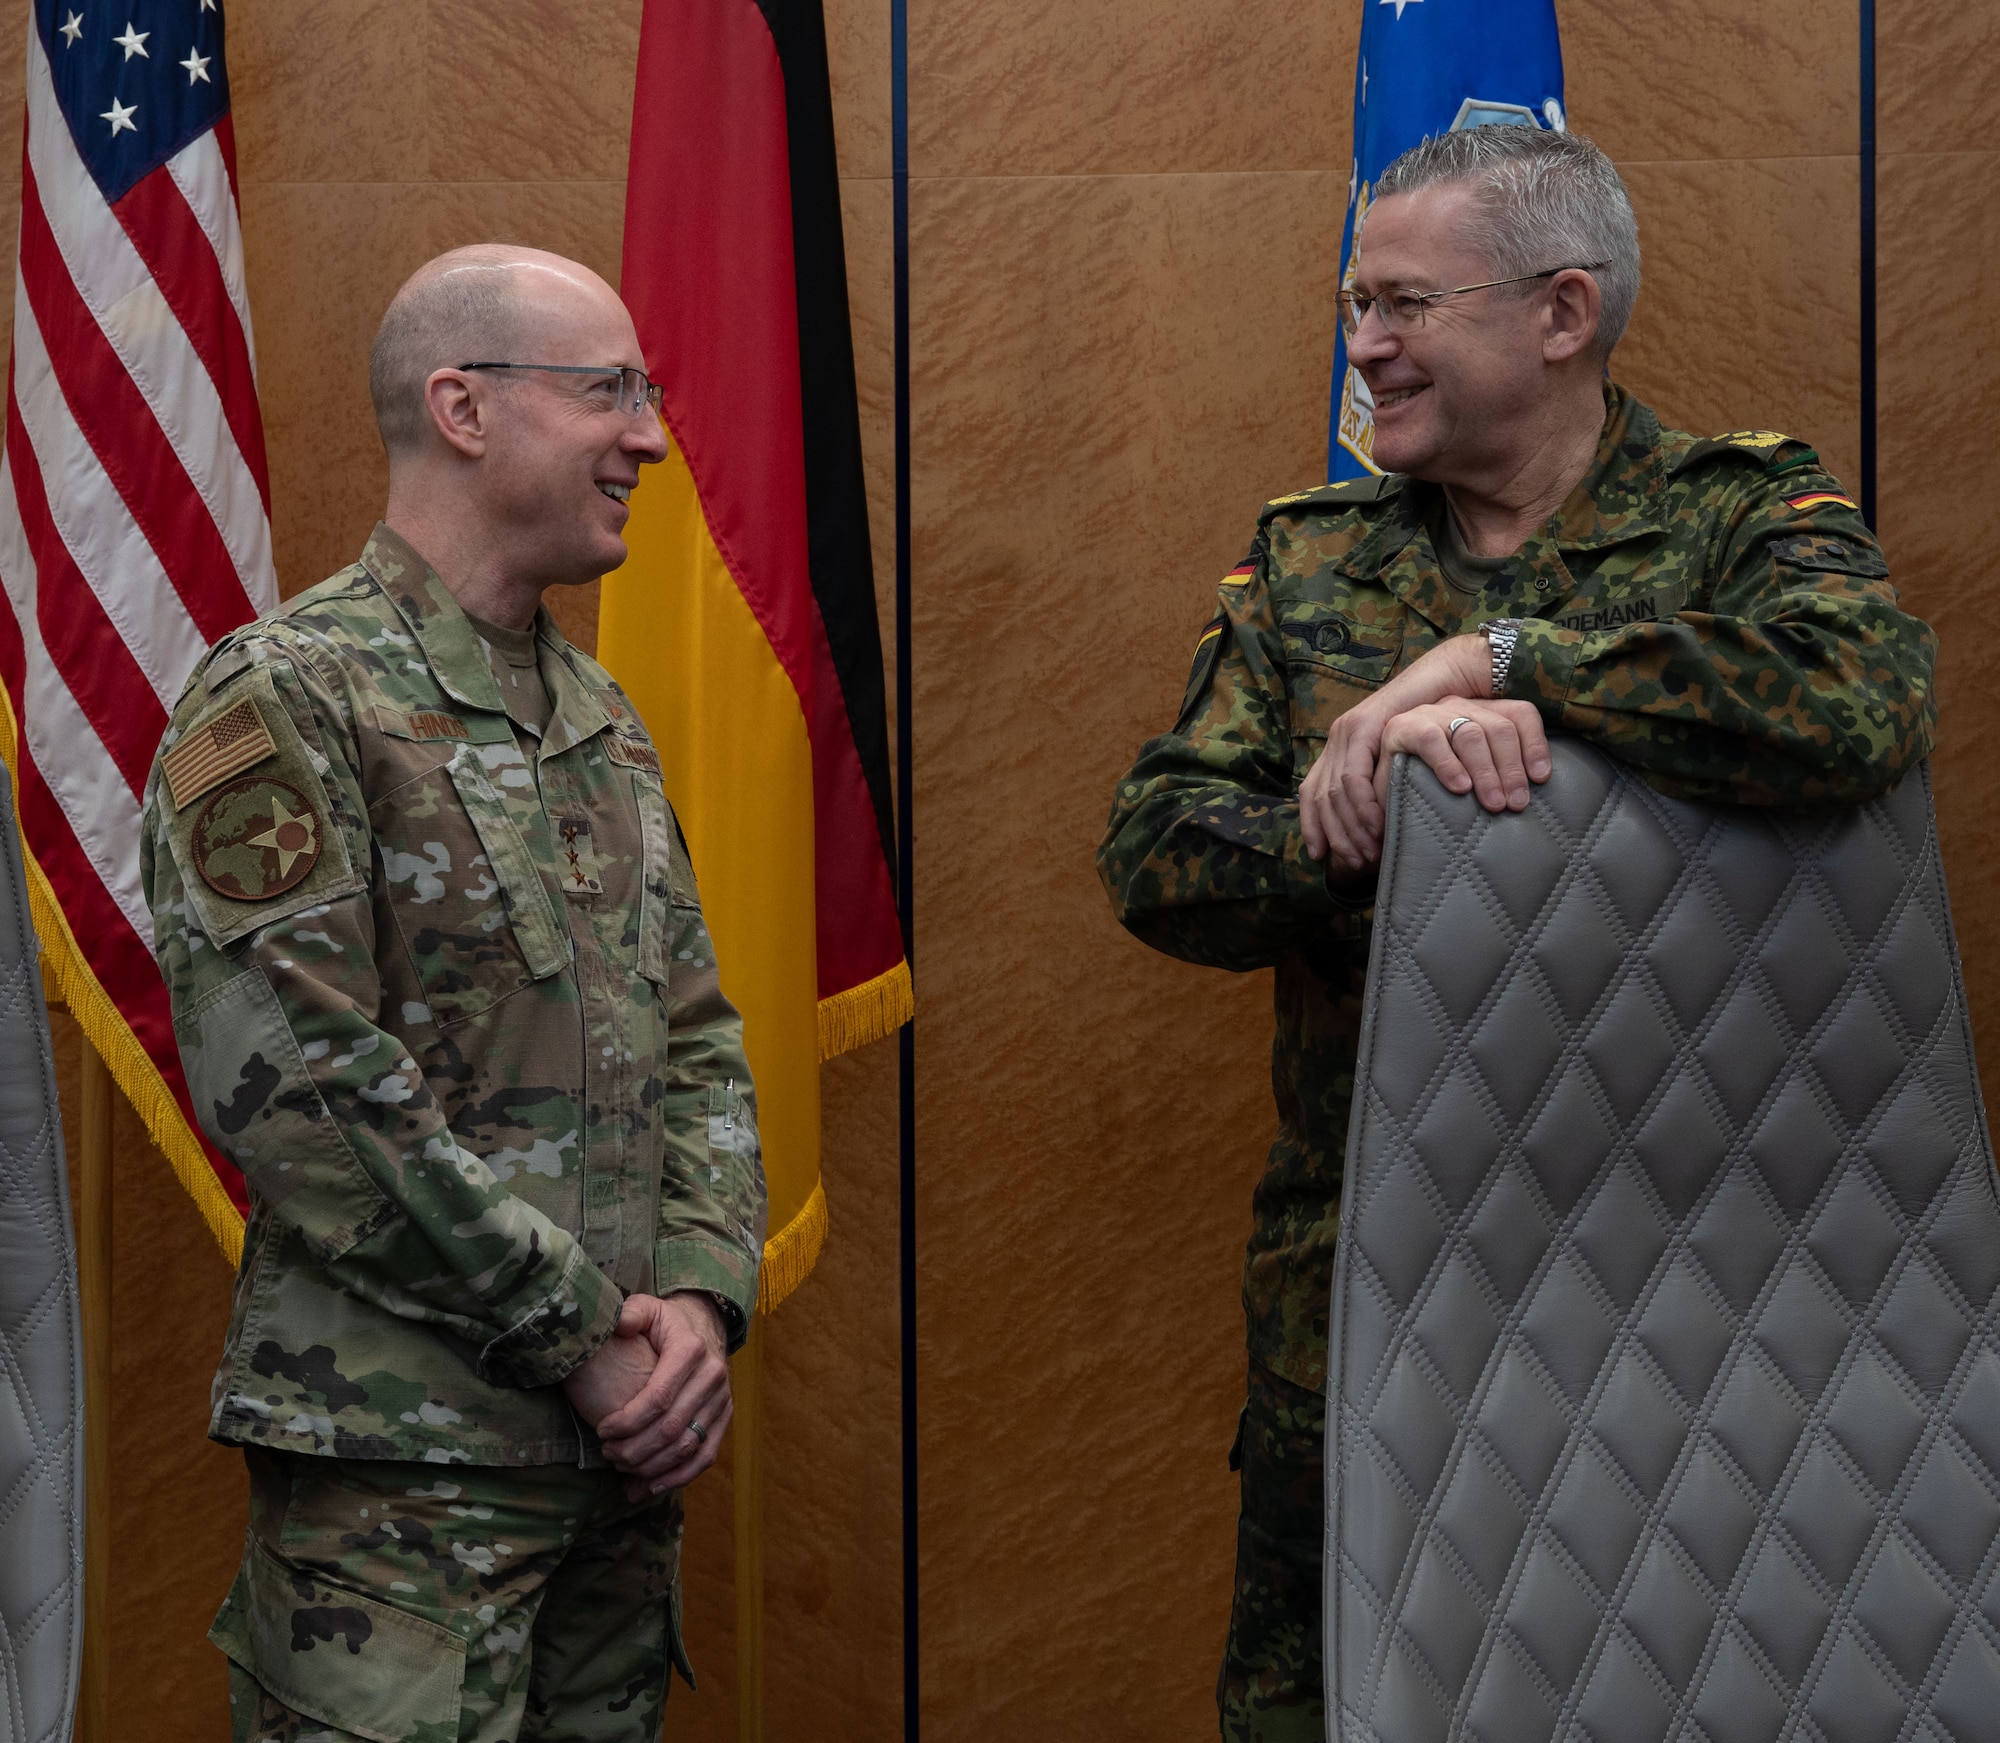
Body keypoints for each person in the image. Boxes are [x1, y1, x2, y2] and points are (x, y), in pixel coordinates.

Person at [1096, 126, 1936, 1741]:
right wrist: (1355, 825)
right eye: (1357, 300)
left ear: (1562, 313)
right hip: (1369, 1306)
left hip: (1708, 1313)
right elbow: (1156, 858)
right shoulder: (1308, 563)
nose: (1364, 346)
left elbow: (1861, 704)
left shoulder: (1741, 513)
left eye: (1405, 301)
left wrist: (1507, 661)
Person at [139, 244, 767, 1741]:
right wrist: (583, 1334)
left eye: (650, 393)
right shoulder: (289, 697)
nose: (652, 438)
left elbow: (698, 1038)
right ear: (464, 409)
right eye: (609, 390)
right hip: (401, 1498)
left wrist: (694, 1296)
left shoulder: (597, 718)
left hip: (614, 1478)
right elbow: (303, 1094)